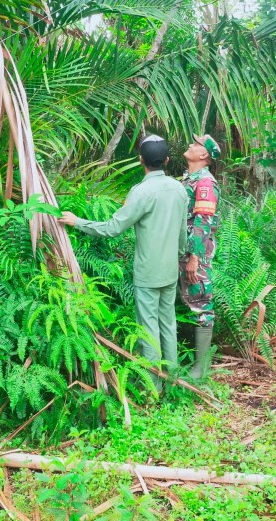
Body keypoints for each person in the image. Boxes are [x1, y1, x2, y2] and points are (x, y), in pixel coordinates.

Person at [59, 135, 188, 378]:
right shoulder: (179, 189)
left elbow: (112, 228)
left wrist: (77, 222)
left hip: (148, 273)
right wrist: (178, 257)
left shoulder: (141, 192)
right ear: (167, 160)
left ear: (141, 160)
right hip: (171, 270)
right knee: (168, 325)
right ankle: (174, 382)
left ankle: (153, 386)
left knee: (148, 329)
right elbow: (183, 234)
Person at [180, 134, 221, 379]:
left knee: (201, 303)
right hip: (183, 251)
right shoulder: (189, 179)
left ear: (204, 154)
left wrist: (194, 257)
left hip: (195, 254)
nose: (190, 145)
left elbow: (203, 221)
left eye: (195, 144)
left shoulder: (205, 182)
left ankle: (201, 368)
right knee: (189, 301)